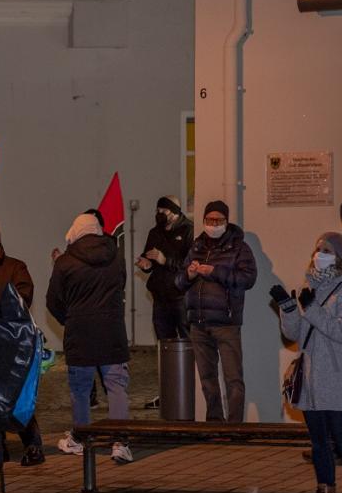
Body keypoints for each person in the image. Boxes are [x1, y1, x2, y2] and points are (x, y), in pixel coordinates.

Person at [273, 232, 342, 493]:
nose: (319, 254)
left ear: (340, 257)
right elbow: (295, 334)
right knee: (318, 443)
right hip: (312, 375)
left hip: (337, 376)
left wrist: (311, 309)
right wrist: (288, 309)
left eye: (326, 250)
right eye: (317, 249)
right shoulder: (309, 286)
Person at [46, 213, 132, 463]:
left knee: (80, 390)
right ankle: (120, 442)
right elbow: (121, 286)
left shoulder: (65, 261)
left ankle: (82, 439)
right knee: (116, 386)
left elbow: (53, 300)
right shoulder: (116, 256)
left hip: (80, 332)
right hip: (112, 330)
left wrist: (70, 318)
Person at [176, 201, 257, 423]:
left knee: (233, 379)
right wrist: (190, 275)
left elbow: (248, 279)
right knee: (207, 378)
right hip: (198, 323)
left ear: (226, 221)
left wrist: (215, 271)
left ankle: (234, 425)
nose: (213, 224)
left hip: (226, 323)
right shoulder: (196, 246)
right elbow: (179, 281)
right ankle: (214, 422)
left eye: (218, 220)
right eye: (209, 220)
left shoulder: (239, 247)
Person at [0, 217, 45, 468]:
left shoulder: (15, 267)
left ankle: (32, 444)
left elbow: (23, 297)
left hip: (12, 339)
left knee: (15, 391)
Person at [136, 196, 194, 409]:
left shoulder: (188, 231)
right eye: (157, 210)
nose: (159, 214)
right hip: (160, 297)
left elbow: (190, 264)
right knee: (164, 347)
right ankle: (168, 394)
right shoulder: (155, 232)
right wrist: (146, 264)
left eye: (163, 210)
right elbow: (150, 259)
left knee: (188, 344)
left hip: (181, 297)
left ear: (175, 211)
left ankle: (190, 392)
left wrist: (165, 260)